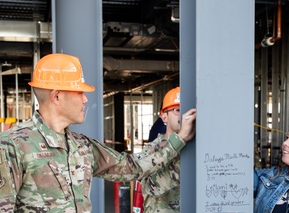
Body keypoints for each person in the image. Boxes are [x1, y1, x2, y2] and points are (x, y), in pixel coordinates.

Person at [0, 53, 196, 212]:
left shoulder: (82, 146)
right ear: (57, 96)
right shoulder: (13, 146)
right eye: (79, 92)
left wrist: (178, 140)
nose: (85, 100)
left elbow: (132, 167)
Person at [141, 86, 183, 213]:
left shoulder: (197, 149)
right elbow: (153, 187)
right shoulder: (152, 150)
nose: (183, 115)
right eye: (178, 110)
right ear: (164, 117)